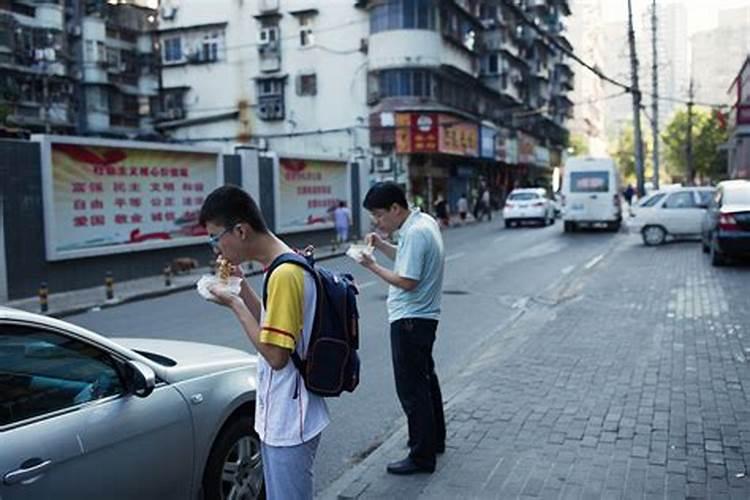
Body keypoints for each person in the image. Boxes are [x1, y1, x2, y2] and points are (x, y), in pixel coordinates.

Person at [199, 185, 329, 500]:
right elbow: (274, 325)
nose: (216, 248)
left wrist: (234, 303)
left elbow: (276, 355)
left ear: (240, 230)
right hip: (290, 413)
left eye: (215, 238)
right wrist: (242, 288)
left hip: (289, 420)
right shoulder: (284, 262)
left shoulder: (284, 274)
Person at [357, 181, 446, 475]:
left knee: (412, 389)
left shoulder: (416, 232)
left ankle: (422, 456)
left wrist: (370, 265)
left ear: (396, 208)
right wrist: (383, 247)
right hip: (422, 318)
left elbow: (407, 280)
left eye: (380, 216)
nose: (379, 223)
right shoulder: (421, 222)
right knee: (426, 381)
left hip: (410, 318)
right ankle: (433, 441)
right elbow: (409, 260)